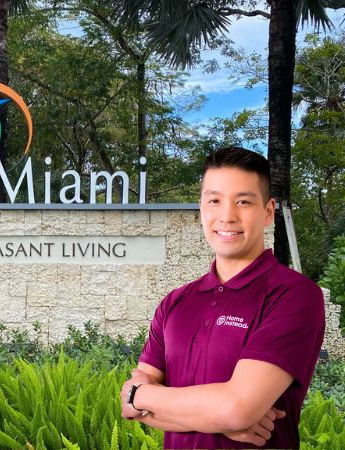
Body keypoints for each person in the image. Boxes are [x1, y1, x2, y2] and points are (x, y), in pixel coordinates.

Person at [120, 147, 324, 449]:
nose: (227, 216)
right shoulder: (174, 303)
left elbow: (236, 409)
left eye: (243, 201)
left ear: (268, 212)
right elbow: (128, 407)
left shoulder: (293, 295)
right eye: (214, 200)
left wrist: (142, 396)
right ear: (201, 209)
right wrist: (220, 418)